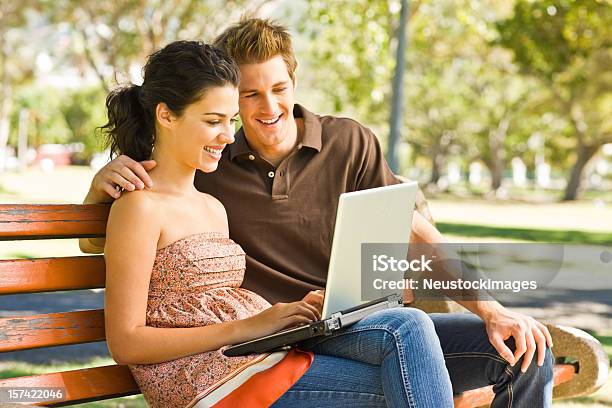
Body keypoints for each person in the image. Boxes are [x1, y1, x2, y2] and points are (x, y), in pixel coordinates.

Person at [84, 18, 554, 408]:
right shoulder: (209, 166)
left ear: (294, 82)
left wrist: (492, 311)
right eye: (246, 98)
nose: (266, 108)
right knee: (405, 342)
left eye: (279, 88)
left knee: (523, 352)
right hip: (268, 341)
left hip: (322, 327)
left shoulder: (345, 144)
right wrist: (97, 192)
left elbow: (415, 233)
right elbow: (113, 241)